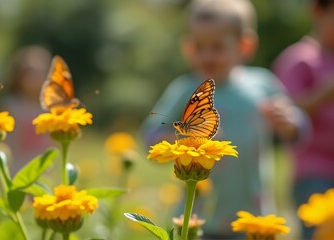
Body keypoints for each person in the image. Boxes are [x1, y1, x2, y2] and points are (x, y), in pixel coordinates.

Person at [141, 0, 308, 238]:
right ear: (187, 47)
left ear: (245, 45)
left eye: (217, 47)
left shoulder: (262, 84)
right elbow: (149, 135)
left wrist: (289, 122)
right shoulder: (184, 88)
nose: (207, 55)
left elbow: (299, 131)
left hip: (251, 215)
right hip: (197, 218)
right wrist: (183, 143)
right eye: (199, 46)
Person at [272, 0, 334, 238]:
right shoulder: (300, 59)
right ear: (318, 11)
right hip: (314, 172)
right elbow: (286, 114)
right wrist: (322, 95)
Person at [1, 45, 54, 172]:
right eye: (30, 73)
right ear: (19, 75)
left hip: (42, 169)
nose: (35, 79)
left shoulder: (50, 108)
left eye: (40, 73)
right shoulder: (11, 105)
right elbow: (3, 141)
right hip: (15, 167)